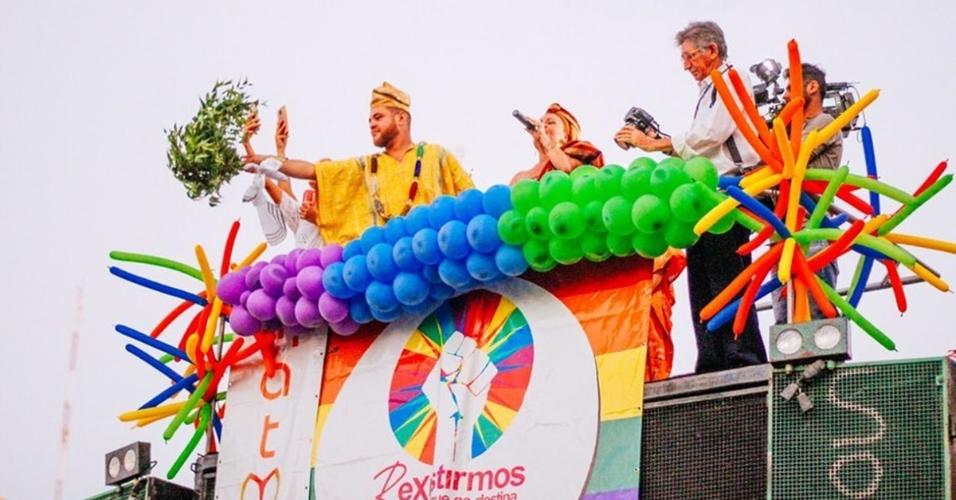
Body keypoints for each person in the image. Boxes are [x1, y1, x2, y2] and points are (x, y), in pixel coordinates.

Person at [614, 21, 767, 373]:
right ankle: (712, 356)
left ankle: (740, 354)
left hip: (729, 191)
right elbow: (698, 151)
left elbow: (709, 135)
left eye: (689, 56)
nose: (686, 65)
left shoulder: (731, 79)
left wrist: (652, 143)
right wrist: (659, 142)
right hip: (705, 194)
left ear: (712, 50)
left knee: (726, 275)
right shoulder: (709, 90)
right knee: (701, 279)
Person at [244, 82, 475, 244]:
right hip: (387, 276)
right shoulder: (367, 167)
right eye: (369, 120)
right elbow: (312, 171)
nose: (371, 124)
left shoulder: (436, 156)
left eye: (378, 117)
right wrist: (266, 160)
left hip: (438, 264)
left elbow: (472, 202)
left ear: (401, 118)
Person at [772, 63, 843, 323]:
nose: (784, 96)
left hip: (810, 233)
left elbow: (792, 161)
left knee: (817, 319)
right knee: (784, 323)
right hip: (783, 236)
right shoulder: (791, 130)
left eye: (790, 88)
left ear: (812, 87)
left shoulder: (824, 122)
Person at [242, 106, 323, 248]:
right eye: (319, 176)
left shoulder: (343, 217)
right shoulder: (302, 218)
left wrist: (316, 218)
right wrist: (247, 143)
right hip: (301, 269)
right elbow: (268, 179)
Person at [509, 103, 604, 184]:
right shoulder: (519, 178)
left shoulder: (577, 154)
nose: (543, 126)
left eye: (550, 123)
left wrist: (546, 141)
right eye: (541, 122)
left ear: (566, 136)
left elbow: (566, 169)